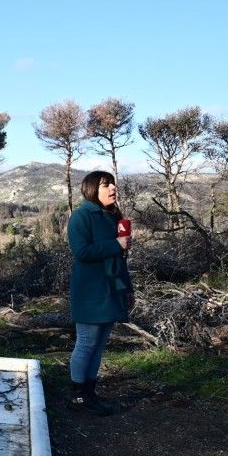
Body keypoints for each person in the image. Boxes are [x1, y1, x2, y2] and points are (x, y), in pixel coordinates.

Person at [67, 171, 133, 416]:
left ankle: (89, 393)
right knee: (86, 343)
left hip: (112, 289)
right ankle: (77, 397)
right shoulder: (81, 217)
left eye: (113, 183)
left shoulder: (112, 216)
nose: (113, 188)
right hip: (90, 291)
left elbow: (118, 259)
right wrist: (117, 244)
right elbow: (81, 252)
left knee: (99, 345)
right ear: (92, 189)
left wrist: (128, 288)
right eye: (106, 184)